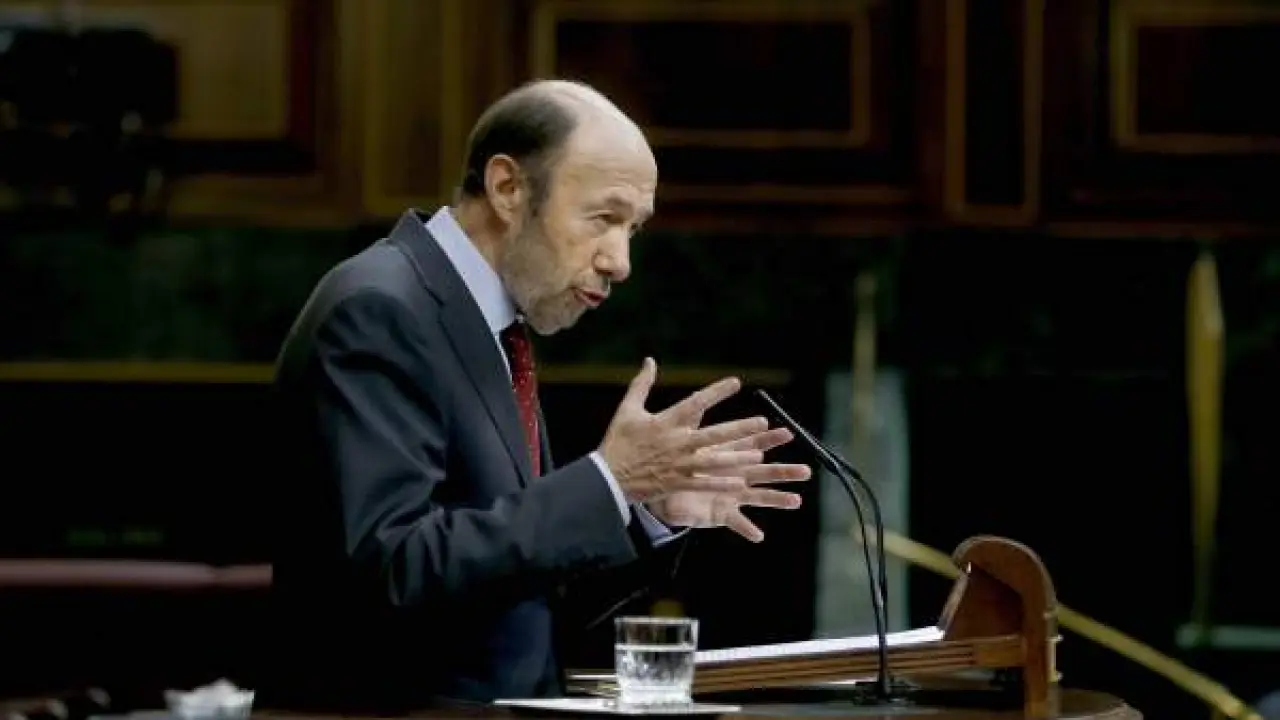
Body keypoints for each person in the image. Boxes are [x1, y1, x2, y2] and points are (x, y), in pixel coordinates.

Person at [259, 79, 811, 712]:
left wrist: (641, 510)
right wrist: (607, 483)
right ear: (508, 188)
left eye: (633, 229)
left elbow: (520, 597)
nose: (621, 261)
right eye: (603, 218)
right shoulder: (381, 309)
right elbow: (391, 571)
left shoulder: (494, 325)